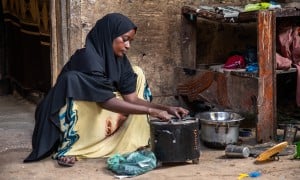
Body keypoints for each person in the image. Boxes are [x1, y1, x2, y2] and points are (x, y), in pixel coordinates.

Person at [23, 13, 189, 167]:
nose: (128, 46)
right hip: (69, 109)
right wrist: (151, 112)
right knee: (72, 81)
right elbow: (106, 102)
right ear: (109, 36)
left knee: (137, 72)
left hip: (101, 106)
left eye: (130, 41)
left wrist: (166, 108)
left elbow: (131, 99)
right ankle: (72, 148)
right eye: (124, 39)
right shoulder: (88, 59)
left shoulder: (120, 60)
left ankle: (126, 141)